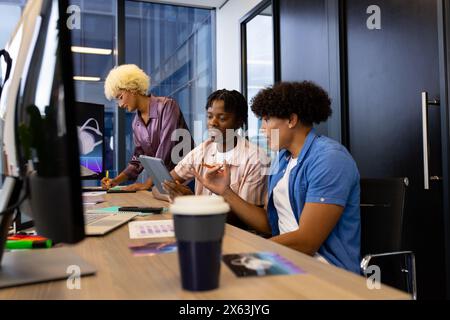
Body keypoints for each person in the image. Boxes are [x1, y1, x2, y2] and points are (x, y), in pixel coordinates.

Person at [192, 81, 361, 273]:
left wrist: (248, 250)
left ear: (291, 120)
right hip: (285, 258)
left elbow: (307, 241)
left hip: (323, 268)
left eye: (266, 119)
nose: (262, 128)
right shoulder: (283, 159)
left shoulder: (330, 159)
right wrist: (226, 192)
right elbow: (270, 224)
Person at [150, 89, 270, 226]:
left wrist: (193, 202)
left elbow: (246, 220)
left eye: (222, 118)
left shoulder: (255, 159)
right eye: (209, 116)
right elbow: (158, 187)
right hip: (202, 226)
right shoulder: (203, 149)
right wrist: (175, 195)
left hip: (237, 234)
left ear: (239, 122)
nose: (213, 122)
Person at [102, 64, 192, 190]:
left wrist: (147, 184)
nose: (120, 105)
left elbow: (167, 149)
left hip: (187, 179)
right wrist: (115, 181)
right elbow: (138, 159)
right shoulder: (136, 123)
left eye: (120, 97)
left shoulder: (167, 106)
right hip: (164, 183)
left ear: (132, 88)